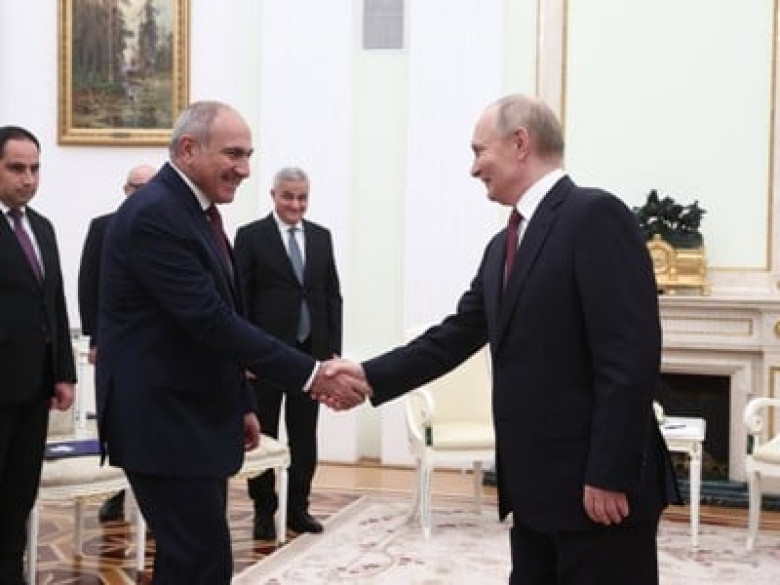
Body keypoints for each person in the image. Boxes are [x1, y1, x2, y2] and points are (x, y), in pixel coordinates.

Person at [323, 94, 679, 585]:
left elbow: (629, 359)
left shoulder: (595, 215)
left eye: (479, 151)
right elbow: (453, 337)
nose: (473, 169)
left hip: (596, 494)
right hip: (535, 493)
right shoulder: (502, 247)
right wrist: (367, 374)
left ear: (520, 143)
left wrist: (609, 474)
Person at [95, 101, 368, 585]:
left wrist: (241, 402)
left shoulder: (194, 212)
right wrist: (311, 374)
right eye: (234, 154)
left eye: (248, 156)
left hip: (193, 416)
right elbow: (210, 320)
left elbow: (218, 322)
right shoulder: (155, 215)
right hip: (163, 422)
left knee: (191, 561)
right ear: (188, 149)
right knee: (202, 561)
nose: (244, 169)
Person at [234, 167, 342, 540]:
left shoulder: (321, 237)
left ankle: (298, 508)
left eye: (302, 197)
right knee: (263, 435)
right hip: (264, 358)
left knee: (304, 436)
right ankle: (264, 511)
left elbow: (332, 295)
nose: (295, 205)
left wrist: (332, 352)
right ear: (273, 195)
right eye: (288, 197)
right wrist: (244, 355)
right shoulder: (251, 236)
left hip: (312, 358)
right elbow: (239, 299)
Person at [0, 126, 76, 585]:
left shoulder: (42, 227)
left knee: (19, 491)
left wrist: (63, 373)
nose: (28, 179)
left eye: (34, 168)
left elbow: (55, 303)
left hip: (34, 388)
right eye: (16, 168)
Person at [77, 163, 156, 524]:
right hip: (113, 344)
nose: (141, 194)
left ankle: (152, 501)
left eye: (148, 188)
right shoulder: (103, 226)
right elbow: (88, 284)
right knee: (117, 421)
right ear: (125, 190)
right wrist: (95, 338)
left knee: (151, 423)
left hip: (154, 347)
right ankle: (115, 492)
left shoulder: (167, 227)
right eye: (135, 188)